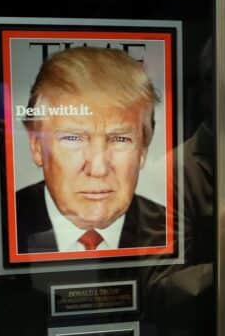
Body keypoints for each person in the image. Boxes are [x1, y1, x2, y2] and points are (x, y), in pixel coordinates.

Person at [16, 46, 166, 253]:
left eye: (120, 139)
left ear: (143, 149)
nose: (98, 169)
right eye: (73, 138)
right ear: (36, 146)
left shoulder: (172, 230)